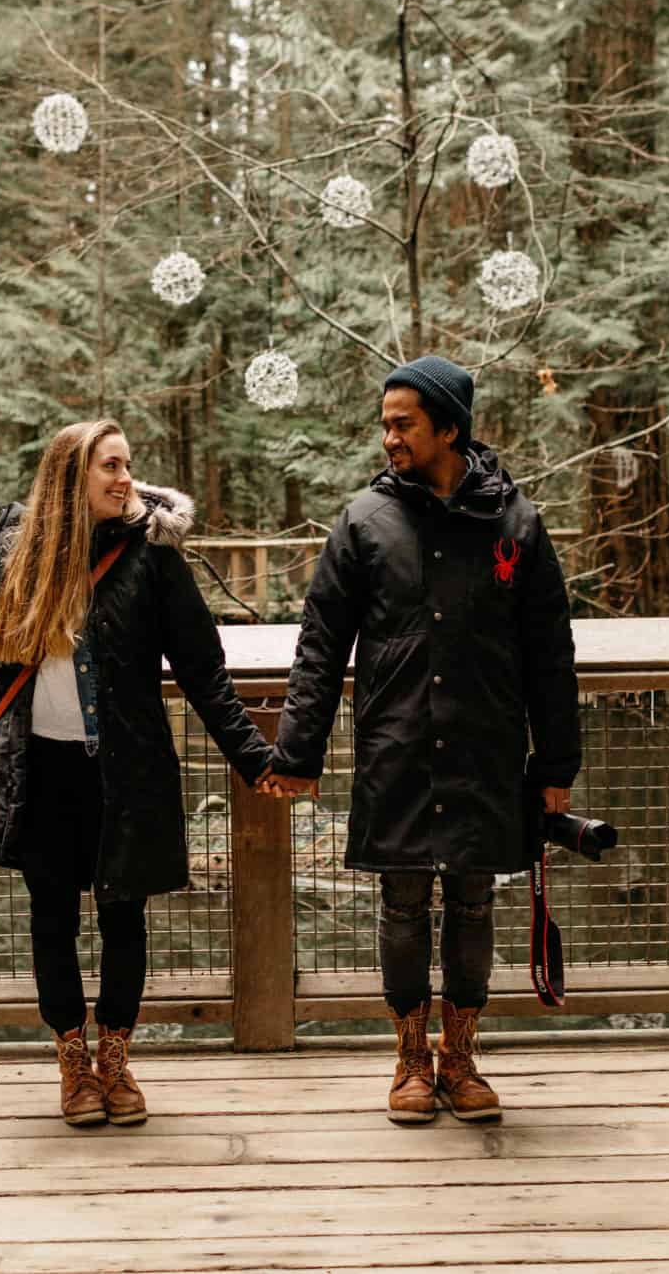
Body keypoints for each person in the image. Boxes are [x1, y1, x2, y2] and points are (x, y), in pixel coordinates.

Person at [268, 355, 580, 1125]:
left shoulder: (517, 522)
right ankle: (411, 1055)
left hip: (486, 750)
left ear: (449, 426)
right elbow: (320, 646)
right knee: (402, 904)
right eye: (385, 423)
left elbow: (551, 652)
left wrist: (557, 765)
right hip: (397, 747)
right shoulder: (363, 521)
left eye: (404, 423)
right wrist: (298, 754)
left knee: (475, 904)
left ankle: (462, 1055)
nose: (389, 437)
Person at [0, 418, 279, 1127]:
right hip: (39, 766)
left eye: (128, 464)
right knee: (51, 918)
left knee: (124, 916)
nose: (124, 478)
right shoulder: (18, 549)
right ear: (71, 477)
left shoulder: (152, 555)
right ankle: (72, 1061)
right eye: (109, 466)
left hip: (125, 770)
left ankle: (116, 1058)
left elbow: (204, 672)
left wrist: (256, 759)